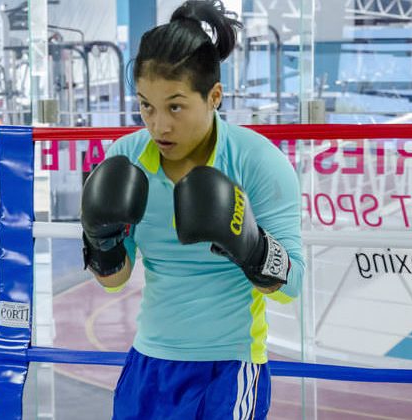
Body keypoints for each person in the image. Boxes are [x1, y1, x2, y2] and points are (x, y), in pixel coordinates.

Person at [80, 1, 305, 419]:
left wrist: (251, 247)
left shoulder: (256, 161)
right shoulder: (127, 157)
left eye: (176, 106)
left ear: (214, 96)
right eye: (146, 105)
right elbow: (115, 281)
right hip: (148, 361)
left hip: (229, 367)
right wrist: (101, 242)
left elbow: (294, 285)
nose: (158, 125)